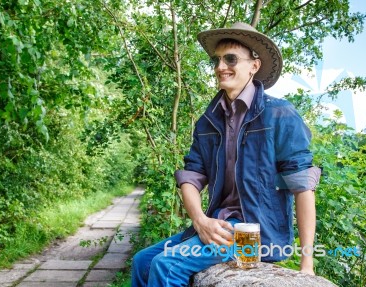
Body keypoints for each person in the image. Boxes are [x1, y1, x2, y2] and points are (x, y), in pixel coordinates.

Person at [131, 22, 321, 287]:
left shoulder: (279, 114)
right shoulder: (208, 121)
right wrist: (200, 221)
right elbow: (191, 177)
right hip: (220, 225)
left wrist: (307, 264)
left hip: (256, 235)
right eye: (217, 60)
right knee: (142, 260)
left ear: (254, 66)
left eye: (230, 58)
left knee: (167, 266)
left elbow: (303, 186)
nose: (221, 66)